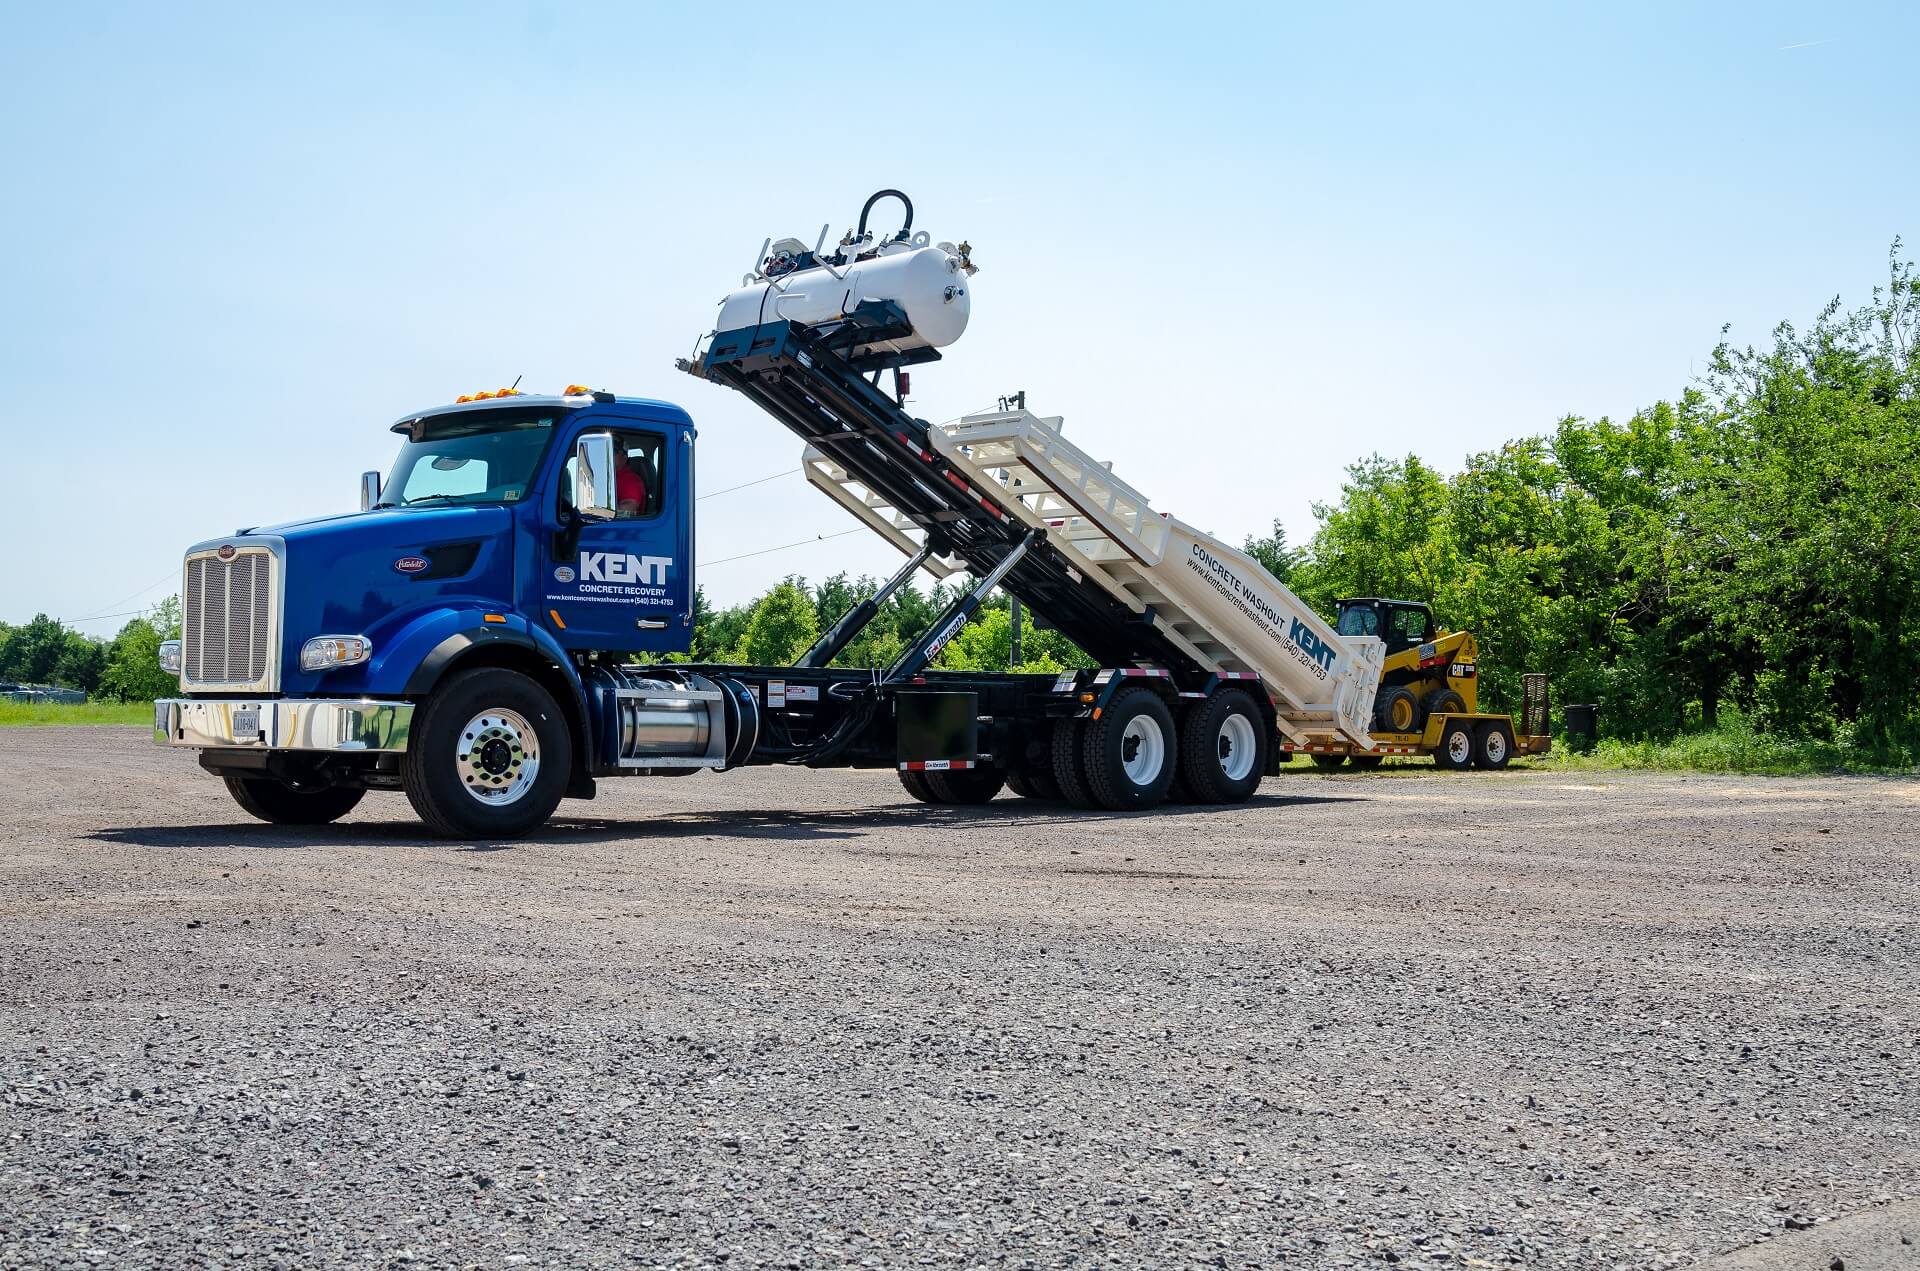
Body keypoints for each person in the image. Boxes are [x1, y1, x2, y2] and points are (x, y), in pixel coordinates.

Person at [613, 445, 648, 517]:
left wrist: (593, 512)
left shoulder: (631, 480)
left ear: (625, 457)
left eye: (614, 451)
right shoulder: (610, 477)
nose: (609, 454)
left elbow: (627, 511)